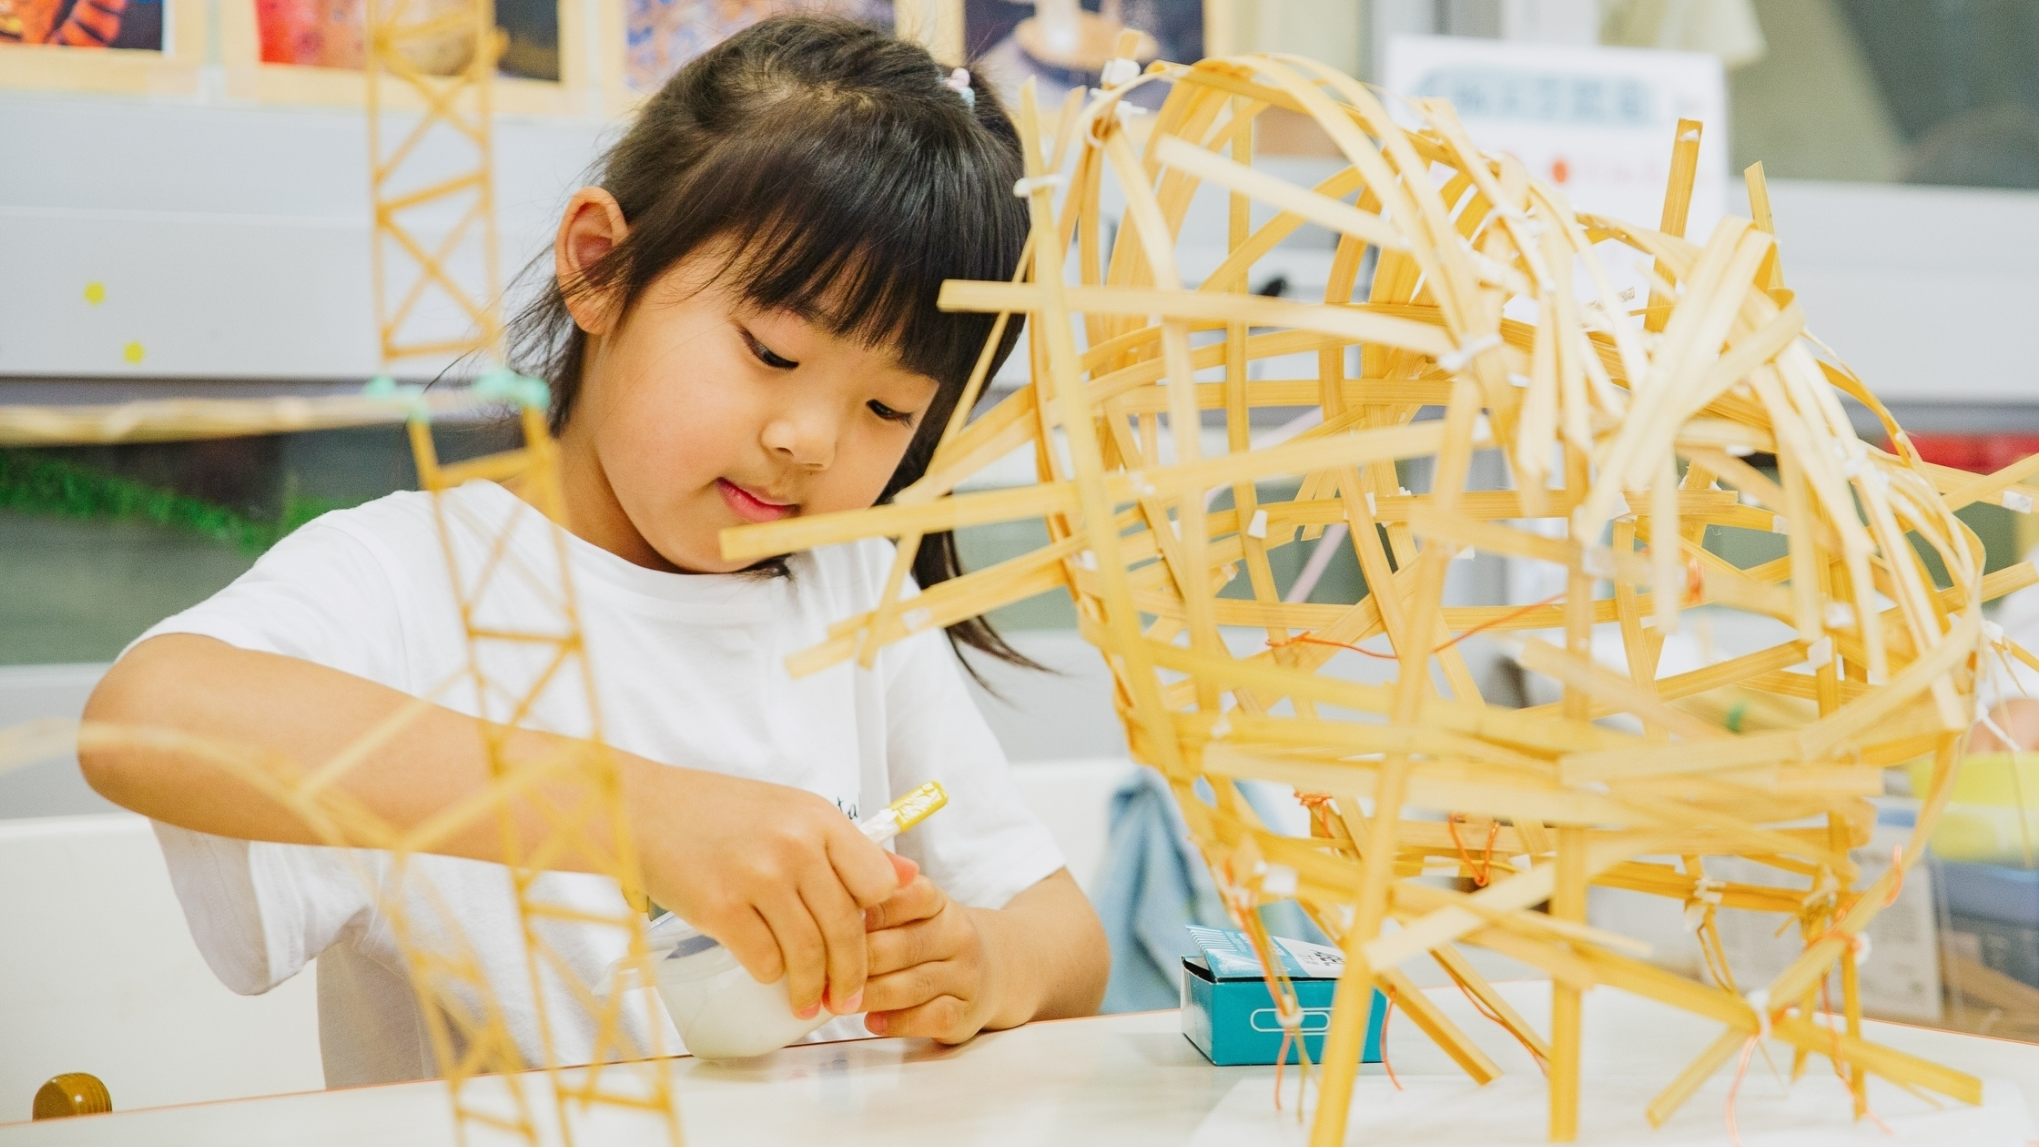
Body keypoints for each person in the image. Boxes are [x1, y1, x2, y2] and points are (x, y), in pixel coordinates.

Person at [81, 14, 1108, 1087]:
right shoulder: (422, 578)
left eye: (888, 408)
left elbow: (1064, 939)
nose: (809, 439)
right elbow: (144, 719)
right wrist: (639, 813)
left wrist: (981, 963)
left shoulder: (846, 590)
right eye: (770, 351)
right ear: (599, 269)